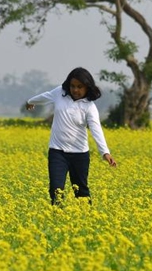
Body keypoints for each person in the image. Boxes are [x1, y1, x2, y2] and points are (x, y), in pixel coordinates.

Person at [25, 67, 117, 204]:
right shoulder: (59, 93)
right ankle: (57, 218)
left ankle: (86, 218)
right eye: (72, 86)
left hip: (80, 154)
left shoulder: (90, 107)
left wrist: (105, 153)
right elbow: (45, 96)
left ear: (87, 87)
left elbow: (96, 130)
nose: (75, 90)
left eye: (80, 87)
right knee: (56, 190)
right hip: (57, 151)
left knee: (81, 192)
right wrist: (31, 101)